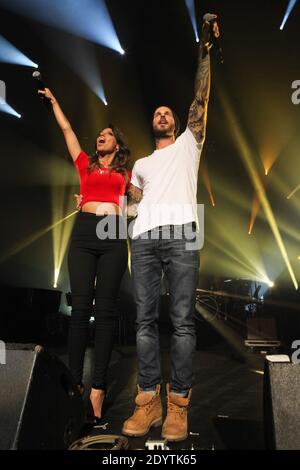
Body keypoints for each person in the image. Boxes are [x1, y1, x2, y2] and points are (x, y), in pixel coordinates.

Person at [122, 14, 219, 441]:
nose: (162, 115)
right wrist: (121, 204)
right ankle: (148, 403)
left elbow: (201, 97)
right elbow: (131, 204)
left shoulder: (188, 143)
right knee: (144, 322)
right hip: (144, 239)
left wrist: (204, 52)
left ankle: (178, 405)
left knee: (181, 322)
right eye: (157, 112)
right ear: (152, 123)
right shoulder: (141, 165)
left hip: (181, 235)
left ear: (176, 123)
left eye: (167, 112)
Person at [38, 87, 130, 422]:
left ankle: (98, 389)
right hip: (84, 232)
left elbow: (140, 201)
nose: (101, 138)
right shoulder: (84, 164)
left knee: (105, 313)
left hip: (115, 234)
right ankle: (75, 384)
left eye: (107, 135)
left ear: (117, 144)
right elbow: (68, 131)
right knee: (80, 310)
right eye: (100, 135)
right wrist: (55, 102)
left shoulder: (127, 173)